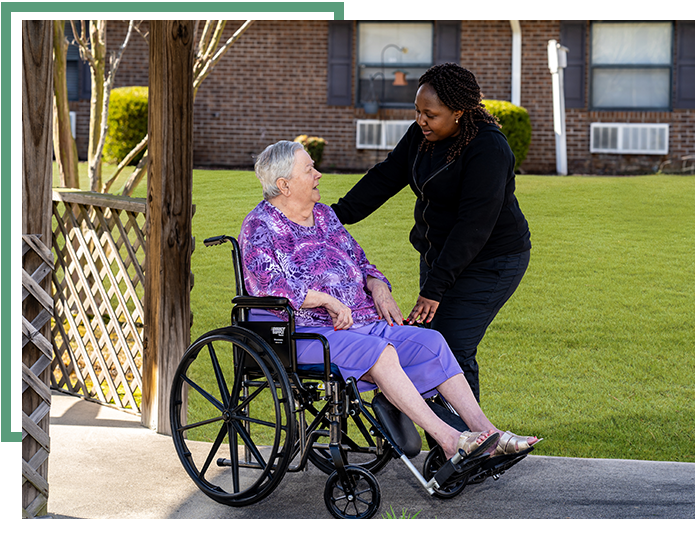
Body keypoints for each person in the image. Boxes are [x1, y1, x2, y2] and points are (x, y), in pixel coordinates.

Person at [238, 140, 539, 461]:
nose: (318, 174)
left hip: (360, 323)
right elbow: (269, 285)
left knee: (432, 342)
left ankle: (487, 434)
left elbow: (361, 261)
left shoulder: (324, 216)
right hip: (303, 334)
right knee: (380, 353)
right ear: (284, 184)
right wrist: (326, 299)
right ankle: (450, 440)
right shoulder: (260, 226)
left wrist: (378, 285)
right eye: (309, 169)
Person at [331, 63, 532, 404]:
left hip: (491, 260)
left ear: (459, 112)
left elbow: (473, 226)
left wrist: (433, 290)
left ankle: (467, 444)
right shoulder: (422, 136)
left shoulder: (489, 149)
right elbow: (384, 178)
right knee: (429, 347)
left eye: (430, 114)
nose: (421, 120)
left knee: (452, 347)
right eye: (417, 111)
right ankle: (449, 442)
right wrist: (330, 218)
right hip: (440, 255)